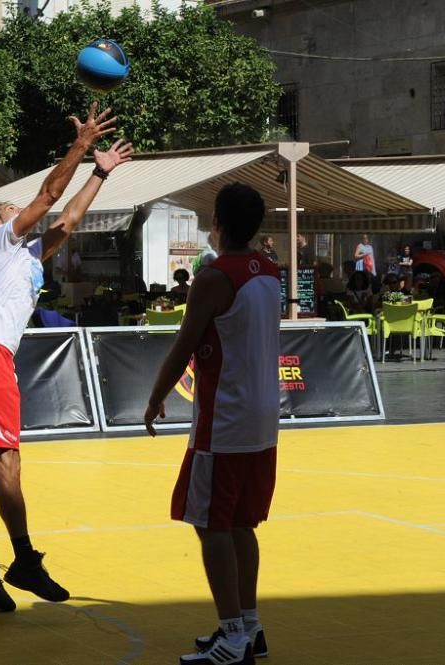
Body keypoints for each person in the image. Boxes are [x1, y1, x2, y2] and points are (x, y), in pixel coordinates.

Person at [0, 102, 132, 612]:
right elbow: (51, 195)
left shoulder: (28, 258)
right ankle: (24, 559)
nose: (20, 209)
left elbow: (69, 219)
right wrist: (80, 144)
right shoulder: (4, 239)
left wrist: (100, 171)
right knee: (7, 463)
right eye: (11, 207)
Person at [144, 183, 280, 665]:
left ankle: (234, 637)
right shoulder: (269, 270)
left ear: (217, 222)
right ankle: (249, 625)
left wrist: (156, 397)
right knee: (242, 523)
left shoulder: (216, 276)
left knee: (210, 524)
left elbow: (184, 345)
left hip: (225, 418)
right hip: (263, 417)